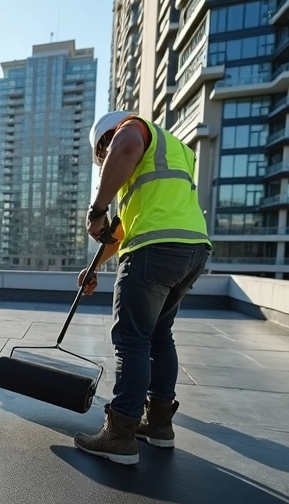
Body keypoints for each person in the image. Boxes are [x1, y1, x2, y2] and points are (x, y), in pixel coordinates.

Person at [73, 111, 212, 466]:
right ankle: (159, 425)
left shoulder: (133, 131)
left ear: (107, 139)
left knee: (132, 339)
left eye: (102, 156)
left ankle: (120, 434)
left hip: (155, 251)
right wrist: (94, 268)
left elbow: (127, 144)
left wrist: (97, 209)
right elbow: (123, 230)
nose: (104, 163)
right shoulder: (173, 151)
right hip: (191, 248)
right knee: (159, 337)